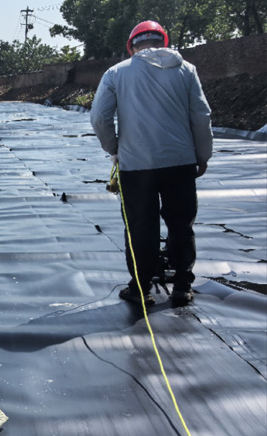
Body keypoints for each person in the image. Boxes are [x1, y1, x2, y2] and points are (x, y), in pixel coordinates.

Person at [90, 20, 213, 307]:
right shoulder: (186, 70)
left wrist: (114, 149)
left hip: (136, 167)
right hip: (180, 163)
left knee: (140, 227)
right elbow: (201, 115)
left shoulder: (116, 73)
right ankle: (182, 286)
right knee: (181, 225)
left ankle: (140, 288)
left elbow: (99, 118)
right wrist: (202, 154)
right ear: (163, 42)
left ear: (131, 47)